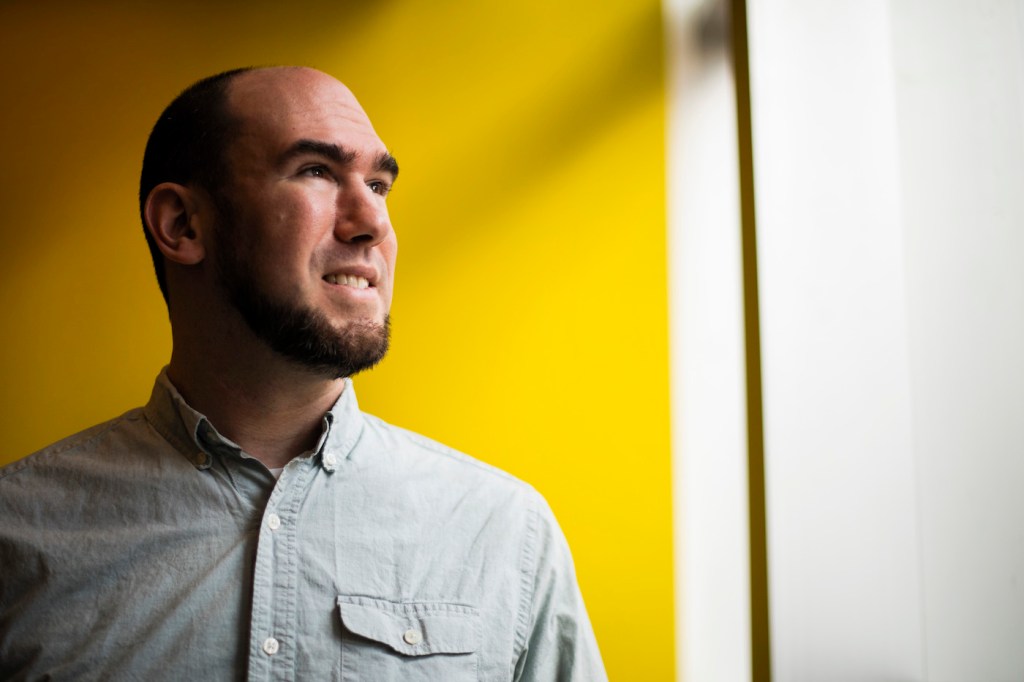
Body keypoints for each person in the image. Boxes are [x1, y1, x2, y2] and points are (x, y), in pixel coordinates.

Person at [0, 66, 606, 681]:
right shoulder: (16, 537)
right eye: (316, 171)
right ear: (183, 224)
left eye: (379, 184)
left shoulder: (504, 535)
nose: (373, 224)